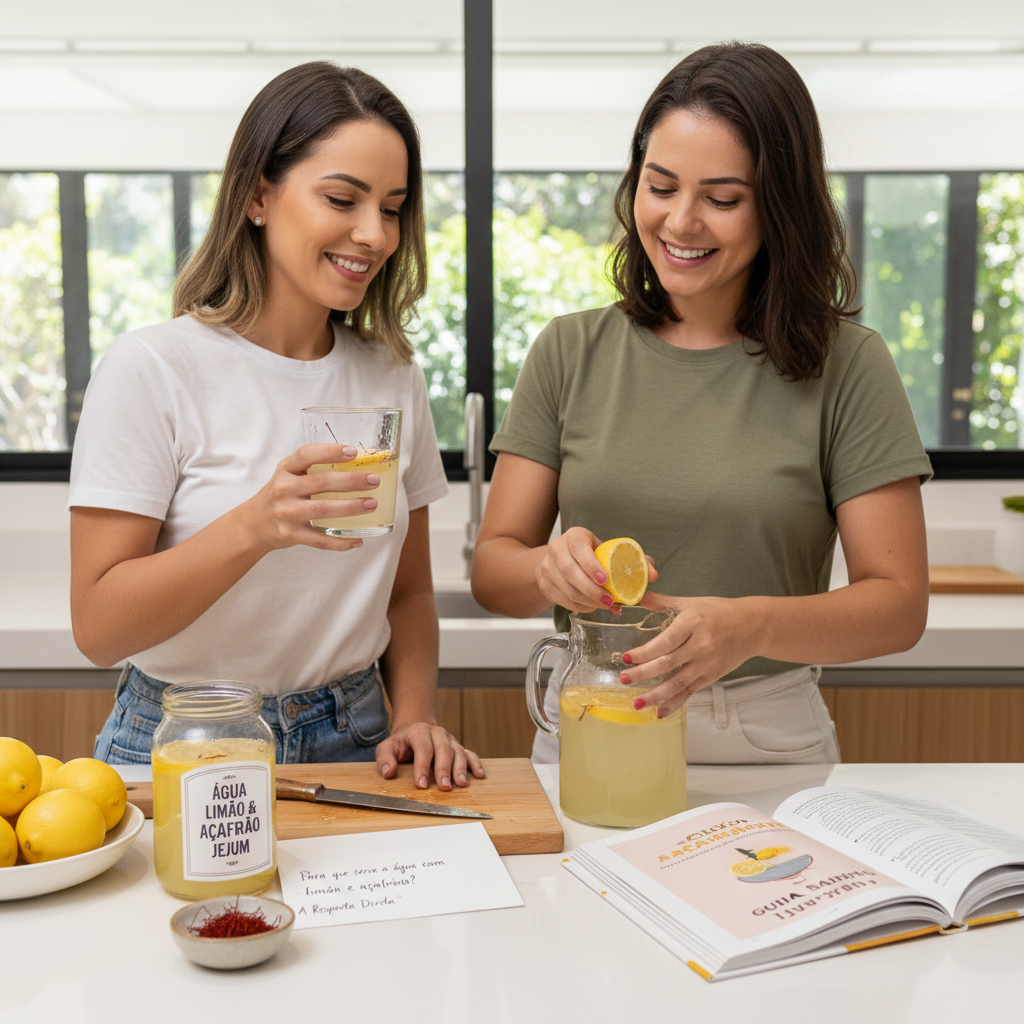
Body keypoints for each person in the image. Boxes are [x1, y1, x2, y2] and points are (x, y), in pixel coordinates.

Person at [471, 42, 932, 765]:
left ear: (779, 208)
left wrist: (748, 628)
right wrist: (545, 571)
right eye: (660, 187)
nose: (681, 222)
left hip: (762, 737)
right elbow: (493, 572)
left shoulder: (849, 366)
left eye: (722, 199)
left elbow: (899, 605)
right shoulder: (568, 351)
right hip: (597, 716)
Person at [69, 62, 483, 790]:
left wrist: (415, 714)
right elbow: (99, 628)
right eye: (341, 198)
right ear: (259, 193)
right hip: (185, 734)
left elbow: (409, 593)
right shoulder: (153, 368)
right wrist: (256, 524)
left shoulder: (391, 373)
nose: (374, 234)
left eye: (392, 207)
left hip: (356, 733)